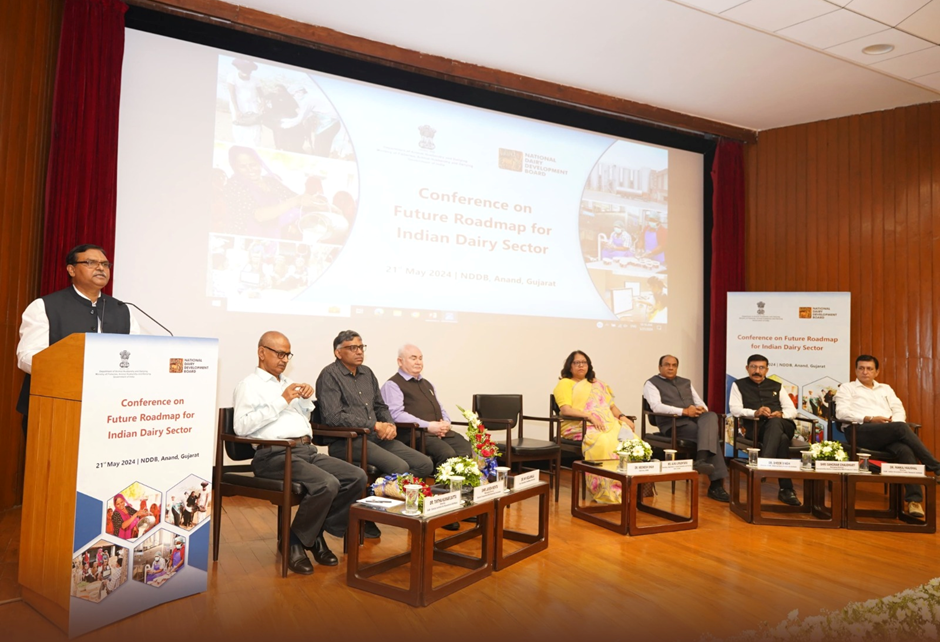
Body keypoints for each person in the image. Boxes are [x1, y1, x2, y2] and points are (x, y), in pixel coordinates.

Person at [234, 330, 367, 575]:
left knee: (356, 476)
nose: (284, 359)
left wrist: (305, 401)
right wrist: (282, 401)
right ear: (262, 352)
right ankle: (295, 541)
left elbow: (300, 419)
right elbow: (241, 427)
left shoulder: (287, 383)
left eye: (287, 354)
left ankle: (312, 532)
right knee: (327, 483)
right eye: (279, 354)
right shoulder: (248, 385)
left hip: (305, 451)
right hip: (274, 455)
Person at [316, 330, 434, 538]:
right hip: (348, 441)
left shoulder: (367, 373)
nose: (359, 351)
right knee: (399, 467)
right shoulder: (329, 375)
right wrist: (374, 425)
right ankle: (364, 513)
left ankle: (366, 506)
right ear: (338, 352)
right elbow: (333, 417)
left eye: (361, 347)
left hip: (375, 437)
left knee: (424, 464)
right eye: (352, 348)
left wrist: (389, 424)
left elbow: (380, 406)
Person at [16, 244, 140, 434]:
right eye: (91, 262)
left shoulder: (122, 309)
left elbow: (137, 354)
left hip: (107, 411)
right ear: (71, 270)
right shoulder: (44, 306)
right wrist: (71, 369)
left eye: (105, 264)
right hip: (54, 408)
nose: (100, 268)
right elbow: (26, 357)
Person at [834, 355, 940, 519]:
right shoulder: (847, 388)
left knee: (905, 450)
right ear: (855, 370)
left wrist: (892, 425)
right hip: (860, 431)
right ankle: (935, 467)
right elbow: (841, 413)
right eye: (861, 368)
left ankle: (914, 501)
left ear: (876, 372)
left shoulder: (885, 389)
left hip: (886, 432)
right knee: (900, 428)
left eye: (869, 369)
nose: (865, 372)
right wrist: (869, 418)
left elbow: (898, 409)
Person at [552, 350, 636, 504]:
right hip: (577, 425)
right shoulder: (565, 383)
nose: (581, 366)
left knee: (631, 440)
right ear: (570, 366)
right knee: (603, 441)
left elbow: (611, 407)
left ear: (589, 366)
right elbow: (566, 410)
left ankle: (630, 487)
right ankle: (606, 489)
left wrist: (623, 417)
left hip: (604, 423)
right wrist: (590, 417)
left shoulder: (597, 384)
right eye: (577, 363)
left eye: (584, 362)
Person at [643, 355, 729, 502]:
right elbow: (657, 407)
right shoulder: (651, 383)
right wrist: (684, 411)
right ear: (660, 367)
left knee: (710, 415)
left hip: (694, 420)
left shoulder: (686, 382)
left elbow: (701, 403)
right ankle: (716, 486)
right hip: (674, 424)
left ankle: (701, 460)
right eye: (667, 365)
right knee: (710, 436)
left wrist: (699, 409)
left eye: (674, 365)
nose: (671, 368)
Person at [380, 344, 473, 468]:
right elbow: (395, 415)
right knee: (447, 454)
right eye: (413, 358)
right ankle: (440, 481)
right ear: (400, 361)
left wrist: (446, 423)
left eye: (420, 358)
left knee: (466, 449)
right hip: (415, 434)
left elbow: (439, 407)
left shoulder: (427, 384)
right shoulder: (392, 385)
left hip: (438, 433)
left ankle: (461, 481)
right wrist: (428, 426)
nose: (418, 362)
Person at [729, 354, 801, 506]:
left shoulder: (777, 386)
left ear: (767, 370)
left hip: (783, 425)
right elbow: (735, 409)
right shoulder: (739, 385)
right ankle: (786, 489)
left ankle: (763, 464)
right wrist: (755, 412)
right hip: (756, 429)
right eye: (753, 367)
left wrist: (781, 414)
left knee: (776, 422)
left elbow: (792, 410)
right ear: (747, 368)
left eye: (761, 367)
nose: (757, 371)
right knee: (781, 440)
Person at [226, 58, 263, 146]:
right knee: (240, 128)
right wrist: (236, 110)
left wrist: (263, 105)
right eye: (244, 68)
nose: (246, 71)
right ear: (239, 68)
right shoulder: (232, 76)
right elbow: (232, 95)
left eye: (249, 69)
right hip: (239, 106)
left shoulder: (255, 79)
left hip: (253, 107)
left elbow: (261, 94)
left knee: (254, 128)